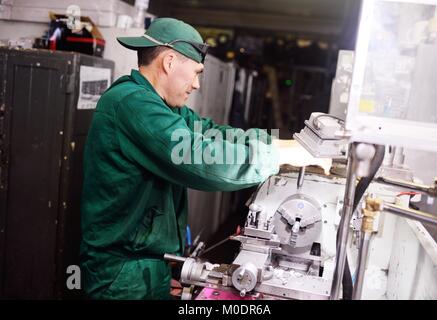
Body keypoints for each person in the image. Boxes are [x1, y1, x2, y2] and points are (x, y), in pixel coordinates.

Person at [80, 17, 309, 300]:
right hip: (122, 275)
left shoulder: (165, 108)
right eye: (196, 72)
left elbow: (213, 134)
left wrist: (288, 145)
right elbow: (201, 156)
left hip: (147, 268)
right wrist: (276, 156)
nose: (197, 85)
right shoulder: (132, 103)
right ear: (169, 62)